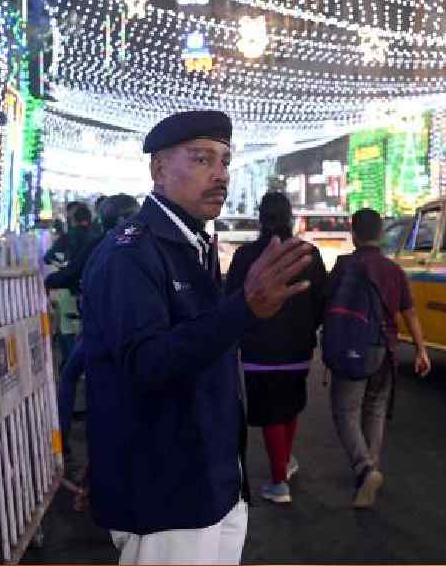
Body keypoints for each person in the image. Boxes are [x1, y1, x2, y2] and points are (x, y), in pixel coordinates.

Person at [81, 110, 314, 565]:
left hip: (215, 481)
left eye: (225, 162)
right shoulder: (131, 254)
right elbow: (146, 364)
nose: (220, 175)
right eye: (202, 159)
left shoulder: (194, 244)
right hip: (166, 495)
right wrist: (244, 308)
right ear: (159, 169)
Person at [225, 192, 327, 504]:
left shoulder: (245, 256)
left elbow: (230, 300)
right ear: (290, 217)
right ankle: (285, 461)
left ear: (260, 217)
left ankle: (279, 481)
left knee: (271, 411)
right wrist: (307, 327)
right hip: (298, 348)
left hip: (259, 349)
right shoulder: (308, 253)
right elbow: (322, 299)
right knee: (289, 405)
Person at [327, 208, 431, 509]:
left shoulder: (344, 265)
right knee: (374, 408)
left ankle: (364, 468)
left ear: (353, 233)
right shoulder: (393, 270)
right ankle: (371, 467)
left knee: (345, 411)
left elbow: (326, 301)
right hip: (385, 350)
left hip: (352, 348)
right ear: (381, 234)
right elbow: (409, 313)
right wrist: (422, 350)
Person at [47, 194, 140, 459]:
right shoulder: (148, 243)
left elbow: (74, 274)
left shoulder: (105, 244)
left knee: (69, 376)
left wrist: (48, 281)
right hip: (137, 333)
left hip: (101, 329)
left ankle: (63, 443)